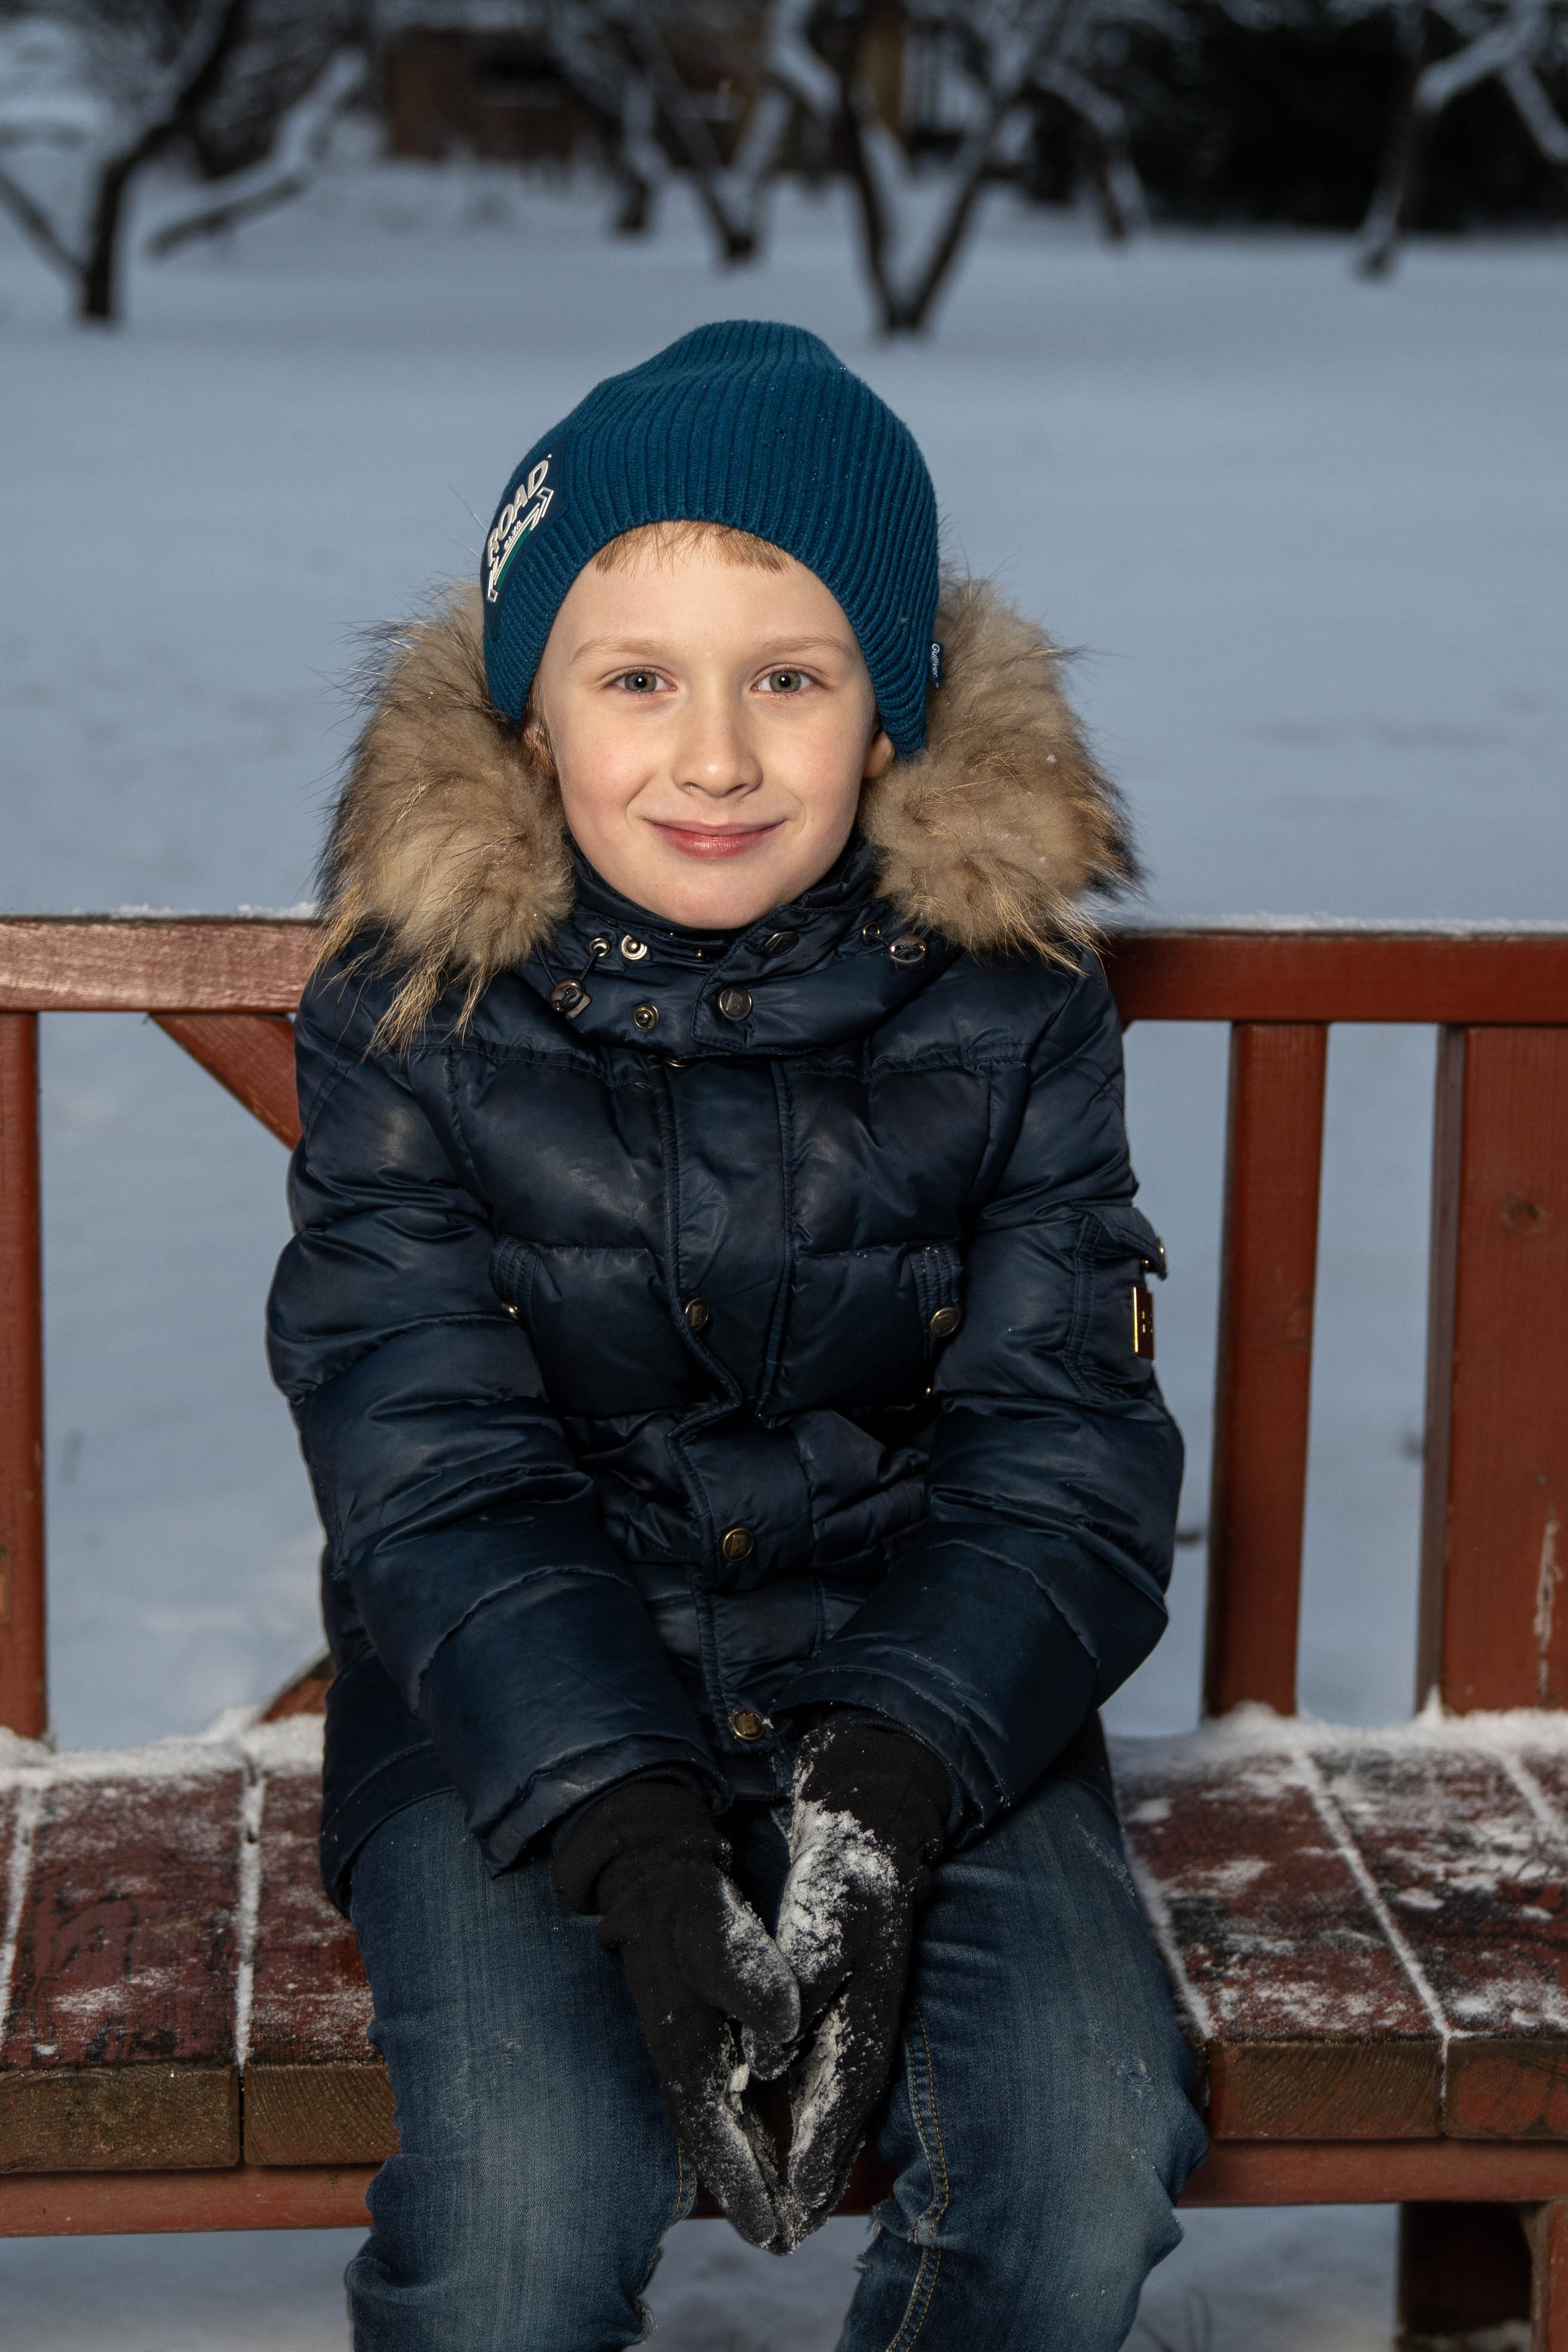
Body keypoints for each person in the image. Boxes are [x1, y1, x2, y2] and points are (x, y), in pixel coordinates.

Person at [267, 318, 1207, 2352]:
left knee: (1082, 2149)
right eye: (637, 682)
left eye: (789, 678)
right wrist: (622, 1829)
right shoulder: (413, 1023)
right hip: (518, 1720)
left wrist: (890, 1776)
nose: (713, 756)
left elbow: (1066, 1440)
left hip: (928, 1696)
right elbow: (424, 1453)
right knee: (522, 2223)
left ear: (889, 722)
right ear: (532, 722)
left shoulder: (1012, 1007)